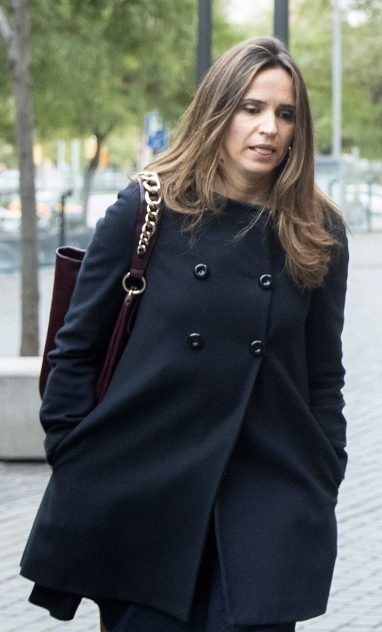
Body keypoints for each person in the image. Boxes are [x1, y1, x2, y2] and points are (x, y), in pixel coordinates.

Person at [22, 37, 349, 632]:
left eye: (285, 114)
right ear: (218, 110)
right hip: (144, 487)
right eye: (252, 108)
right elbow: (77, 348)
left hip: (267, 491)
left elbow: (324, 372)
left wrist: (325, 469)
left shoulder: (315, 227)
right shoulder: (149, 206)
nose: (269, 128)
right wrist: (76, 455)